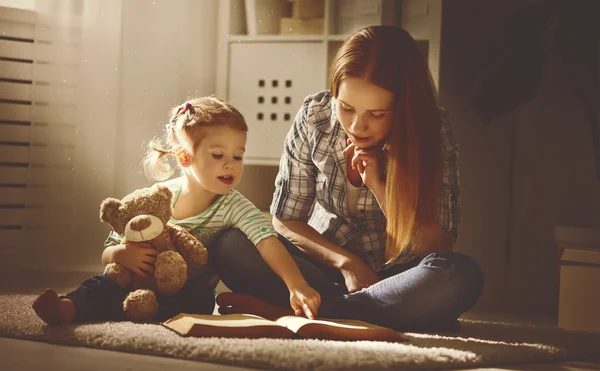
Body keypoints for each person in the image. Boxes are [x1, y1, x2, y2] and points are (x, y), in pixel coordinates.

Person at [211, 25, 484, 332]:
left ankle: (316, 313)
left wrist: (381, 188)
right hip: (323, 271)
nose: (357, 125)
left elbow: (440, 246)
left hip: (400, 277)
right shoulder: (316, 118)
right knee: (231, 243)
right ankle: (376, 313)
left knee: (459, 275)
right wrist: (346, 264)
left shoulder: (433, 131)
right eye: (346, 107)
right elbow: (286, 220)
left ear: (405, 108)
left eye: (377, 114)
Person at [32, 96, 320, 325]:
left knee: (192, 304)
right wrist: (121, 254)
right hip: (138, 281)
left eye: (238, 156)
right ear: (184, 157)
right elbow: (108, 249)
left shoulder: (233, 205)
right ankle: (68, 308)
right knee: (102, 285)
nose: (230, 164)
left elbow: (266, 239)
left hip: (186, 293)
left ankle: (136, 312)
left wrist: (296, 284)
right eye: (218, 155)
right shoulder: (158, 198)